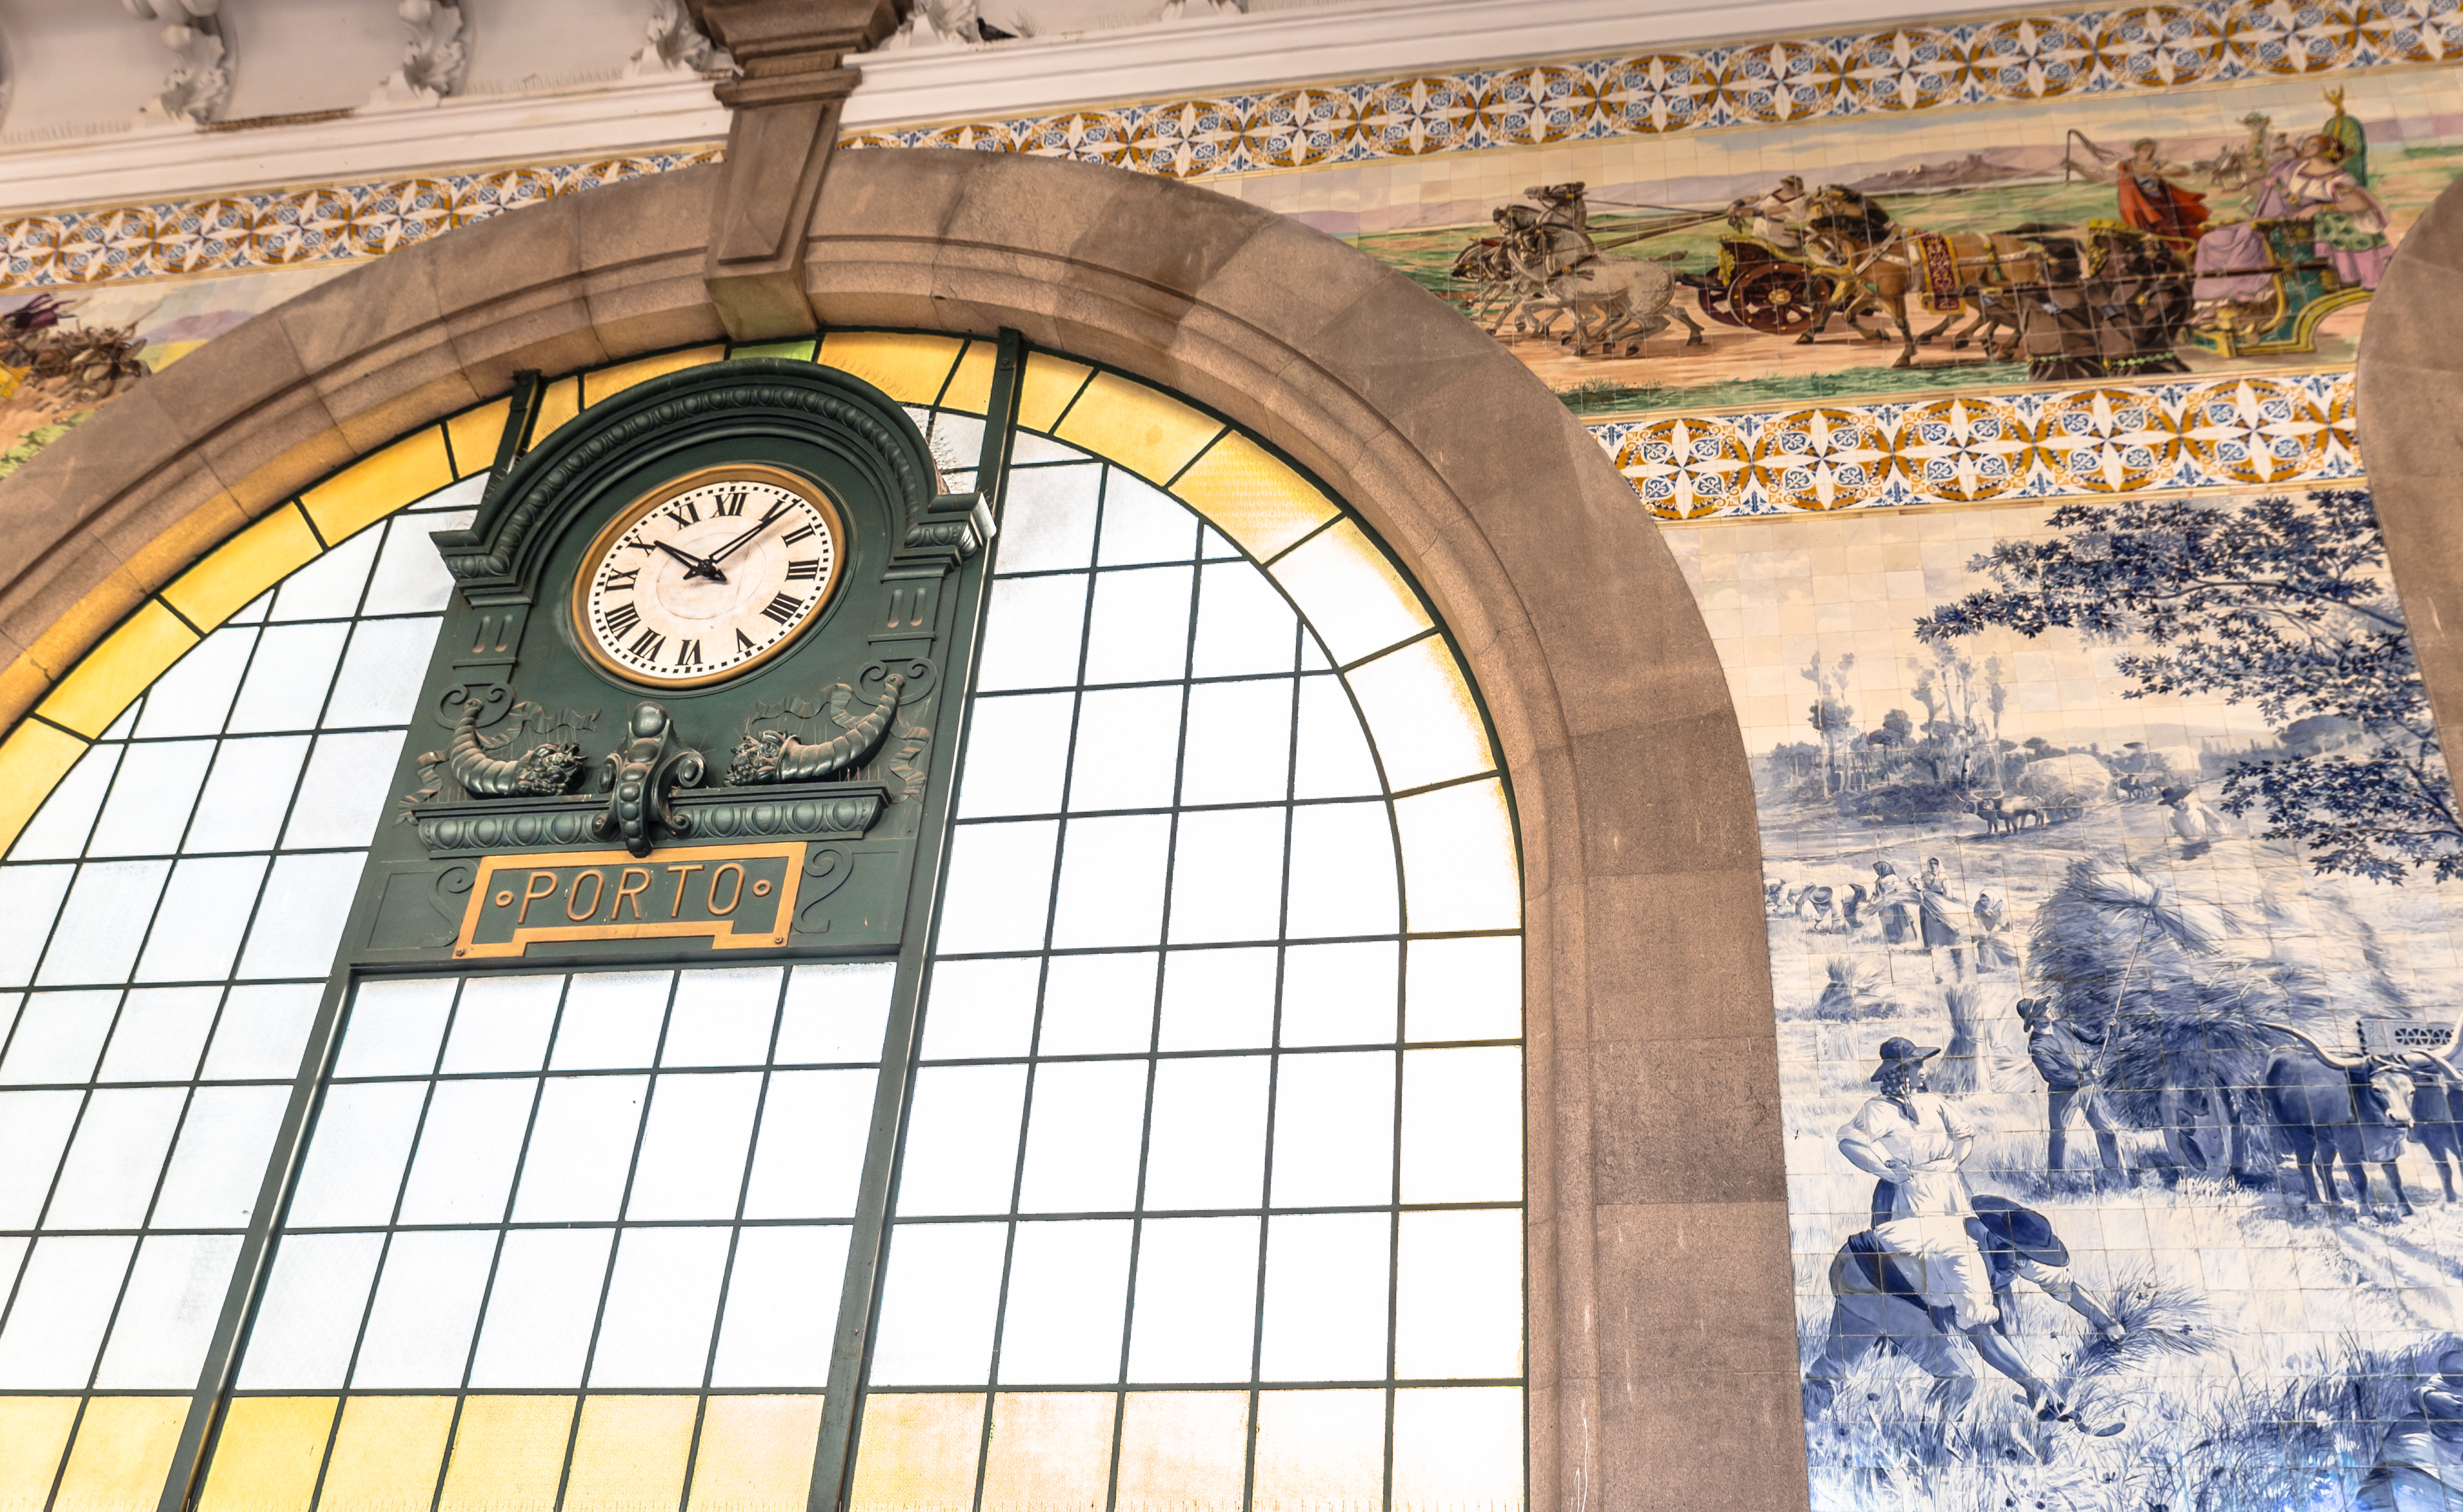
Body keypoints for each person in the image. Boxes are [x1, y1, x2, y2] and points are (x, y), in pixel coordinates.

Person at [1836, 1039, 2083, 1418]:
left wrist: (1952, 1160)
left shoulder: (1934, 1103)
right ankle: (1933, 1341)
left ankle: (2001, 1363)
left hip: (1949, 1190)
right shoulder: (1877, 1111)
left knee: (1964, 1259)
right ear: (1901, 1073)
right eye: (1918, 1066)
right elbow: (1849, 1141)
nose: (1924, 1071)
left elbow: (1965, 1134)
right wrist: (1884, 1169)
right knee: (1931, 1266)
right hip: (1910, 1196)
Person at [2194, 128, 2394, 303]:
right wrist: (2258, 133)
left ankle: (2245, 290)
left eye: (2313, 144)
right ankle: (2210, 300)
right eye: (2306, 144)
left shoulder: (2337, 179)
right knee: (2210, 240)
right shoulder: (2292, 167)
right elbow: (2256, 161)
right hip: (2269, 217)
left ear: (2328, 150)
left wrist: (2319, 209)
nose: (2306, 147)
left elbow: (2358, 204)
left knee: (2246, 238)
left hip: (2292, 227)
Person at [2359, 1344, 2463, 1510]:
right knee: (2405, 1441)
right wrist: (2432, 1398)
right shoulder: (2450, 1373)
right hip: (2429, 1441)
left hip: (2453, 1461)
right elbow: (2421, 1394)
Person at [2114, 138, 2208, 242]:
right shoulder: (2126, 165)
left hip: (2159, 204)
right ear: (2137, 151)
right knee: (2142, 233)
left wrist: (2154, 172)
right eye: (2146, 150)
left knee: (2170, 232)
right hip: (2138, 205)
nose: (2150, 153)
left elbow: (2182, 171)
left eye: (2152, 150)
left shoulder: (2158, 164)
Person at [1726, 175, 1807, 250]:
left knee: (1778, 247)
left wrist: (1747, 213)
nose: (1783, 188)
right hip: (1759, 224)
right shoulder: (1777, 191)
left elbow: (1774, 211)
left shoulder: (1800, 200)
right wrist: (1737, 203)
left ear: (1796, 187)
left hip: (1773, 229)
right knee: (1754, 245)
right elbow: (1755, 198)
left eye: (1786, 186)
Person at [1918, 856, 1965, 982]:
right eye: (1931, 863)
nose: (1933, 866)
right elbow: (1917, 885)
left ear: (1939, 865)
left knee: (1941, 925)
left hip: (1939, 903)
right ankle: (1930, 946)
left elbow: (1948, 894)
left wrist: (1942, 902)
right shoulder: (1924, 875)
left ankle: (1945, 946)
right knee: (1928, 926)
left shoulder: (1944, 877)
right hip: (1927, 904)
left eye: (1935, 863)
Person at [2160, 783, 2225, 859]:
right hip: (2187, 847)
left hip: (2205, 842)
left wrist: (2223, 837)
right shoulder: (2171, 815)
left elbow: (2215, 821)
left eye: (2176, 800)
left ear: (2182, 798)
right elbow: (2174, 834)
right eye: (2171, 803)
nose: (2175, 804)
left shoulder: (2197, 806)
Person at [1871, 860, 1916, 946]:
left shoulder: (1892, 878)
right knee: (1890, 923)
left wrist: (1888, 896)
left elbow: (1897, 888)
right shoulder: (1880, 880)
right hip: (1885, 905)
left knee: (1896, 922)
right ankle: (1893, 940)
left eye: (1878, 870)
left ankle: (1899, 940)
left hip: (1893, 904)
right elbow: (1878, 892)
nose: (1877, 872)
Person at [1972, 890, 2019, 973]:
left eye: (1987, 901)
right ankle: (1987, 966)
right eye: (1983, 901)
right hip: (1987, 931)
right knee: (1982, 944)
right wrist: (1982, 932)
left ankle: (2002, 966)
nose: (1984, 903)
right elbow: (1979, 921)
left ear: (1992, 899)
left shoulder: (2001, 906)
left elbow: (2001, 924)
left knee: (1993, 944)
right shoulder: (1979, 905)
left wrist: (1989, 935)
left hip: (2001, 930)